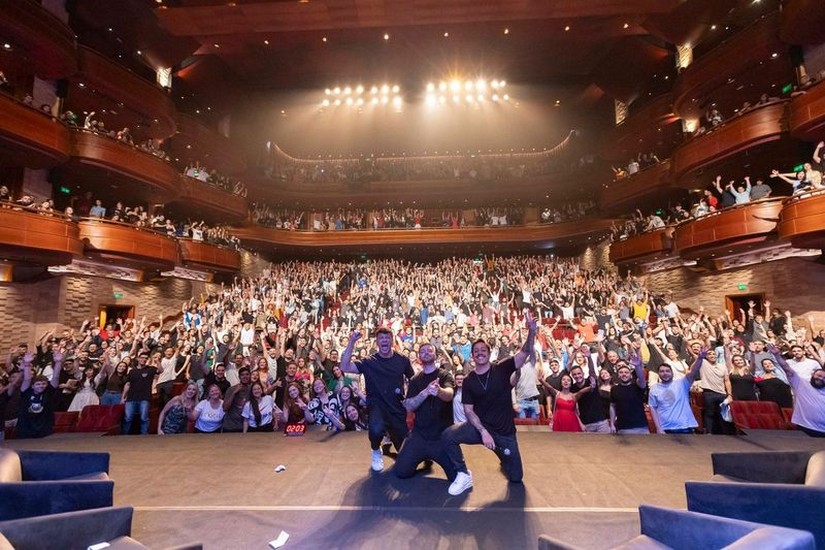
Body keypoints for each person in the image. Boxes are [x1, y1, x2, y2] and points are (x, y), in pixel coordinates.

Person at [442, 311, 537, 496]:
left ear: (489, 353)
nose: (479, 353)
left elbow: (525, 352)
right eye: (476, 351)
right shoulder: (469, 380)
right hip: (480, 429)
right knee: (447, 436)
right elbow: (468, 411)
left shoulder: (502, 368)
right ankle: (462, 474)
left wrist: (531, 331)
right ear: (472, 356)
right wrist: (483, 432)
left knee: (516, 477)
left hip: (504, 433)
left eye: (483, 350)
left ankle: (503, 456)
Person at [340, 327, 415, 472]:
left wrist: (411, 399)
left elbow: (412, 380)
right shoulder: (369, 362)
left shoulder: (403, 360)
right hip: (377, 406)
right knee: (375, 430)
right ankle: (376, 450)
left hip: (396, 407)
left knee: (407, 459)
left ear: (392, 340)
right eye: (381, 338)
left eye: (387, 338)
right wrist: (352, 341)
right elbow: (344, 366)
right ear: (377, 342)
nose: (385, 340)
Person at [393, 343, 456, 480]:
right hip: (419, 435)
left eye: (429, 350)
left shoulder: (444, 375)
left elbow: (449, 394)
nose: (426, 352)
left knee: (456, 476)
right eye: (423, 351)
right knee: (401, 472)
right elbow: (409, 406)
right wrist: (426, 392)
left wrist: (439, 391)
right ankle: (421, 455)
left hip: (441, 437)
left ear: (436, 355)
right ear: (419, 356)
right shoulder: (415, 380)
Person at [770, 344, 825, 437]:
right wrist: (777, 355)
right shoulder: (801, 384)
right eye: (819, 375)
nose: (821, 378)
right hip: (807, 429)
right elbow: (787, 369)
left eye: (824, 378)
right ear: (812, 374)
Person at [648, 350, 704, 434]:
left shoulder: (682, 383)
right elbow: (652, 409)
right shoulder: (654, 388)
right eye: (662, 371)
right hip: (665, 428)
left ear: (672, 373)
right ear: (658, 374)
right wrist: (658, 428)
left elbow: (693, 372)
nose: (665, 373)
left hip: (684, 427)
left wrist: (700, 358)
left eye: (667, 371)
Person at [16, 351, 64, 439]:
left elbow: (56, 377)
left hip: (44, 430)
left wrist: (58, 362)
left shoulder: (48, 392)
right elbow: (27, 379)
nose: (41, 386)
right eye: (38, 384)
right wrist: (27, 364)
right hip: (26, 429)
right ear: (32, 386)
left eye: (43, 384)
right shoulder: (27, 391)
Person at [122, 352, 162, 435]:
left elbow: (161, 370)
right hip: (131, 398)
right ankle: (124, 436)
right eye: (142, 357)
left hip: (145, 398)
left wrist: (157, 361)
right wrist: (123, 397)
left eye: (145, 358)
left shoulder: (151, 369)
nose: (143, 359)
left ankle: (144, 436)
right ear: (138, 358)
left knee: (144, 418)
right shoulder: (132, 371)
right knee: (128, 418)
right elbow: (127, 384)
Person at [609, 354, 648, 434]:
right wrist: (612, 423)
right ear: (618, 375)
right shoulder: (614, 389)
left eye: (626, 372)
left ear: (630, 375)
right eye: (621, 372)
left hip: (641, 427)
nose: (624, 374)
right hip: (623, 428)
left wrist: (637, 366)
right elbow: (612, 406)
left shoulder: (637, 386)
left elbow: (642, 379)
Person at [221, 366, 251, 432]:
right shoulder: (231, 389)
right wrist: (234, 393)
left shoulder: (252, 389)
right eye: (242, 375)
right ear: (239, 377)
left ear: (250, 376)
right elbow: (225, 408)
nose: (245, 376)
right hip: (230, 426)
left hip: (245, 426)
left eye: (247, 374)